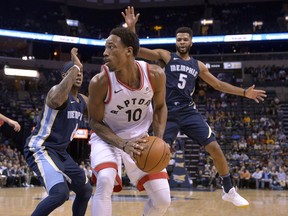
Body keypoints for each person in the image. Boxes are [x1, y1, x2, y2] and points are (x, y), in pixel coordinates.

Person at [122, 6, 267, 207]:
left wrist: (244, 92)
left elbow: (218, 85)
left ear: (191, 42)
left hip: (189, 111)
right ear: (176, 42)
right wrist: (131, 29)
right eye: (179, 39)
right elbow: (138, 51)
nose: (182, 42)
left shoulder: (198, 65)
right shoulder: (166, 56)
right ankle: (152, 190)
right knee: (157, 150)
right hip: (167, 111)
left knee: (215, 147)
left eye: (185, 39)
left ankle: (228, 189)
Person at [88, 27, 171, 216]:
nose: (105, 52)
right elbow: (94, 122)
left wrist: (158, 138)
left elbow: (160, 107)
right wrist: (123, 145)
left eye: (111, 47)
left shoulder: (155, 75)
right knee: (105, 179)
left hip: (140, 140)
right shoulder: (99, 82)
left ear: (129, 51)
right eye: (105, 47)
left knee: (163, 199)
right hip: (107, 138)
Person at [24, 48, 92, 216]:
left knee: (85, 190)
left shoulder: (82, 100)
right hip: (41, 148)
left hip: (60, 153)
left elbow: (103, 110)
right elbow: (55, 100)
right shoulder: (57, 92)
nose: (78, 73)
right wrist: (76, 66)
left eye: (80, 71)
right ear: (64, 77)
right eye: (73, 71)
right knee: (60, 194)